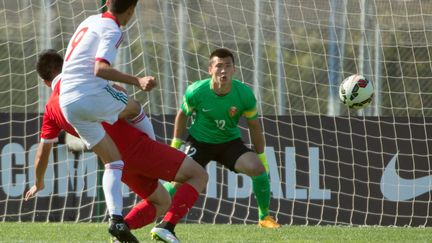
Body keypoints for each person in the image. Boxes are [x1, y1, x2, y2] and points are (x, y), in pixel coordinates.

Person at [26, 49, 208, 243]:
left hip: (116, 162)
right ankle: (167, 227)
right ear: (65, 66)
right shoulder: (84, 78)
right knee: (198, 175)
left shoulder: (50, 110)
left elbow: (42, 153)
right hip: (139, 147)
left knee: (162, 201)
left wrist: (39, 182)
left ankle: (121, 232)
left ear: (46, 83)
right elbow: (122, 95)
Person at [59, 0, 158, 240]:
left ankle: (116, 219)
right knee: (134, 107)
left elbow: (82, 65)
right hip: (88, 94)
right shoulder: (113, 30)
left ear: (106, 3)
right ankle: (154, 154)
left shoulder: (89, 20)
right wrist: (138, 81)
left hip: (67, 102)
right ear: (132, 10)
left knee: (113, 161)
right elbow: (100, 68)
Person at [164, 48, 280, 228]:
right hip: (199, 142)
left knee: (258, 170)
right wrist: (175, 145)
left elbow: (254, 127)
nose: (223, 70)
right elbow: (182, 115)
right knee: (175, 183)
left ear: (234, 69)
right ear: (210, 69)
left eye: (228, 66)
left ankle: (264, 217)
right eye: (219, 66)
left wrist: (262, 157)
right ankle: (146, 212)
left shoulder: (244, 94)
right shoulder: (196, 91)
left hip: (229, 143)